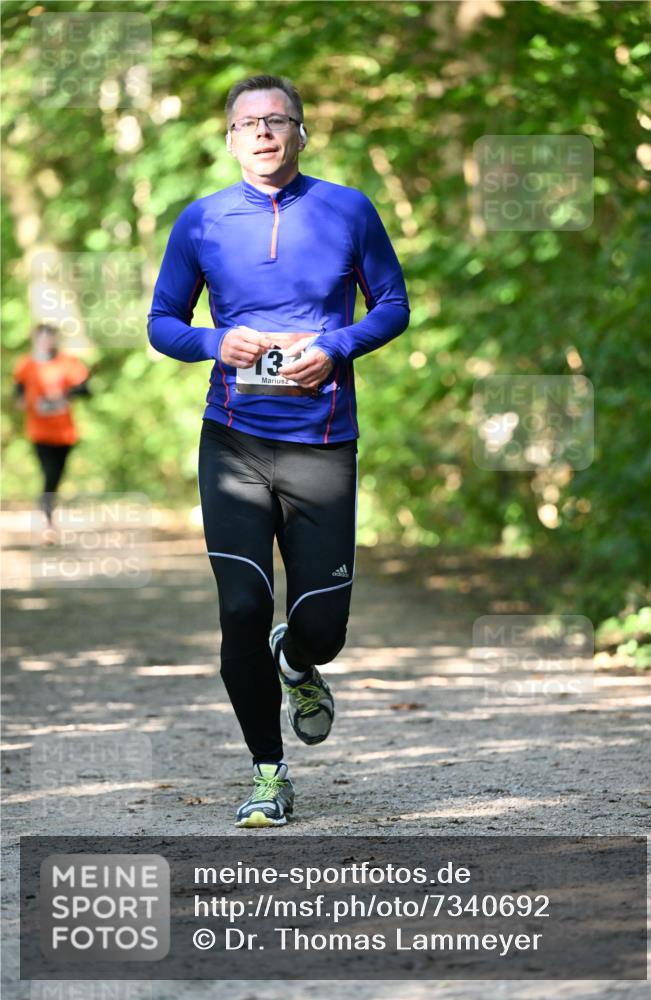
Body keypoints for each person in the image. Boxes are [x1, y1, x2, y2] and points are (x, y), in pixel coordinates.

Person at [148, 74, 409, 827]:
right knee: (240, 608)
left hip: (323, 444)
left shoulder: (347, 209)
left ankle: (296, 662)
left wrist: (337, 346)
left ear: (301, 132)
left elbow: (392, 303)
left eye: (277, 119)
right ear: (229, 139)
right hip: (232, 442)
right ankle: (269, 772)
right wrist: (211, 341)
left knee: (322, 627)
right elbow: (163, 321)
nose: (262, 132)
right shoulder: (201, 222)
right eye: (246, 123)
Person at [13, 324, 90, 541]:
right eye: (42, 338)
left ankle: (48, 514)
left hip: (64, 432)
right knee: (49, 474)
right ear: (35, 340)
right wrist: (27, 401)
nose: (46, 342)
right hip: (39, 431)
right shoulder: (26, 365)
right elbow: (18, 391)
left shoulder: (67, 363)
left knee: (56, 476)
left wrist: (65, 395)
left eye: (50, 338)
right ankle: (48, 521)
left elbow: (85, 388)